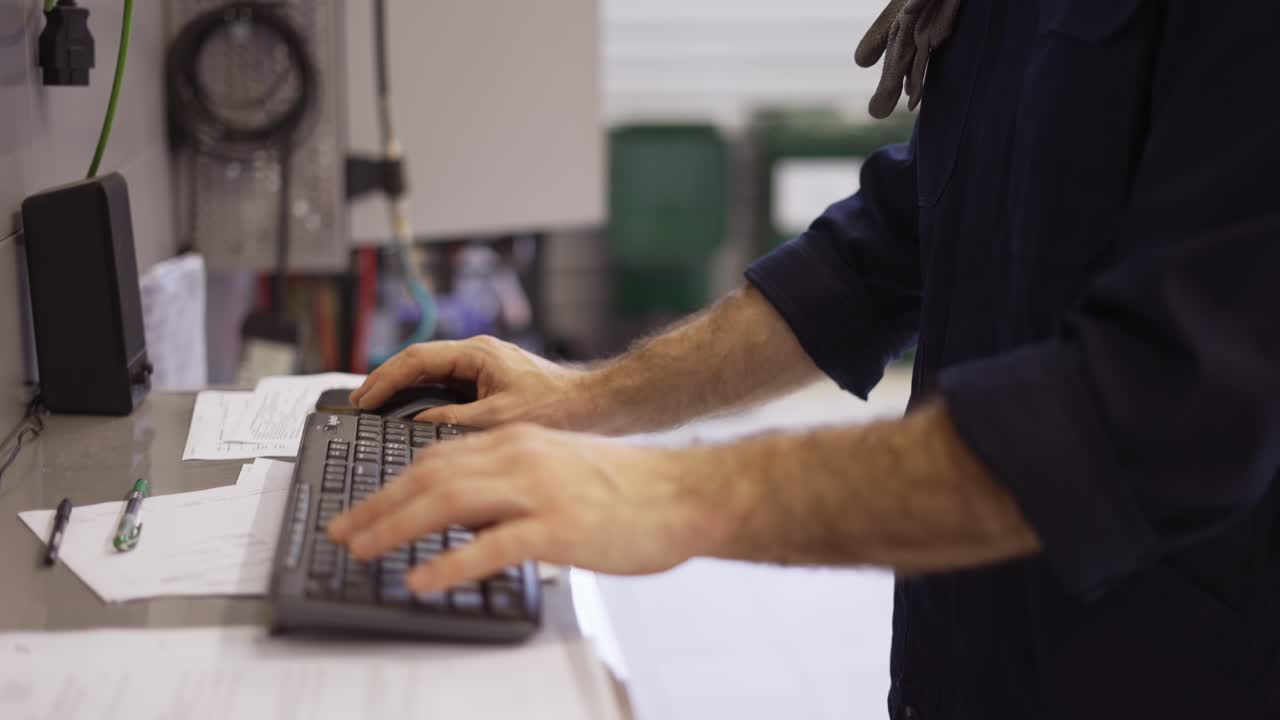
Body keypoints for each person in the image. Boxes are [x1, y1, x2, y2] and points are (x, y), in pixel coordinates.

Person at [328, 2, 1280, 717]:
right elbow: (891, 246)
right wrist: (587, 397)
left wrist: (678, 497)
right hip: (964, 663)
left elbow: (1168, 405)